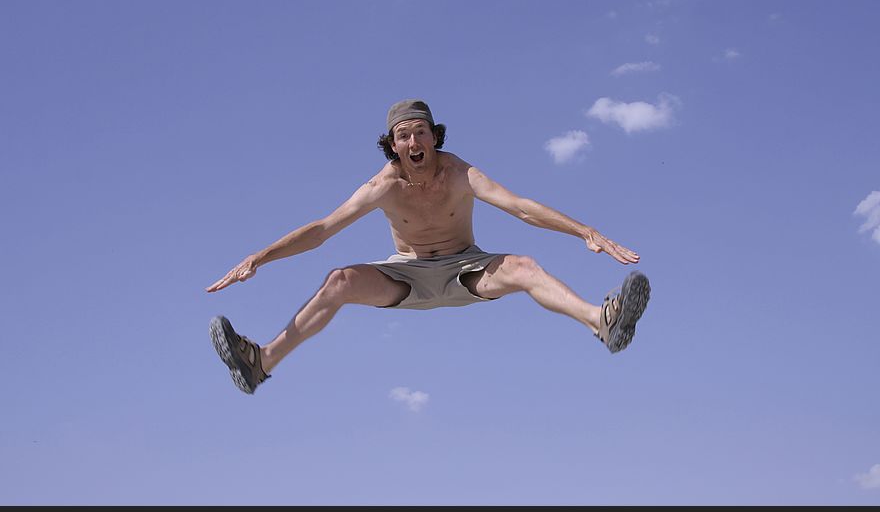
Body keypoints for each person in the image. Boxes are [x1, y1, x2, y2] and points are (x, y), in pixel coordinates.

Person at [207, 100, 650, 394]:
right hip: (407, 276)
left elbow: (521, 208)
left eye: (420, 132)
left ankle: (602, 321)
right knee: (338, 281)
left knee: (524, 266)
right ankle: (260, 361)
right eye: (404, 136)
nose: (413, 142)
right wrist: (259, 257)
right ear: (393, 146)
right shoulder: (384, 184)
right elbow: (323, 229)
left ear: (434, 137)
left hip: (467, 271)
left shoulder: (460, 174)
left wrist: (584, 230)